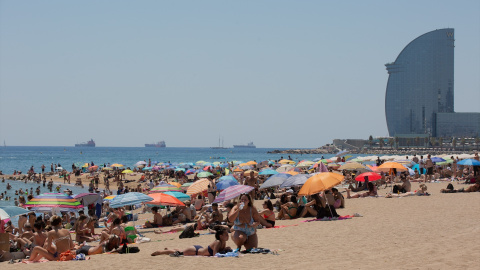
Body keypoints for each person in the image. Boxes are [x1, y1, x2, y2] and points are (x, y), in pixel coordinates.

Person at [151, 228, 231, 257]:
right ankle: (160, 252)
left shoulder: (223, 242)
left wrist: (226, 249)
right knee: (179, 252)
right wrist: (225, 252)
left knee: (182, 250)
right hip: (195, 251)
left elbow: (218, 251)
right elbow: (215, 254)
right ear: (220, 236)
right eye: (226, 235)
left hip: (198, 249)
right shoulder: (218, 242)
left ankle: (168, 248)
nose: (228, 236)